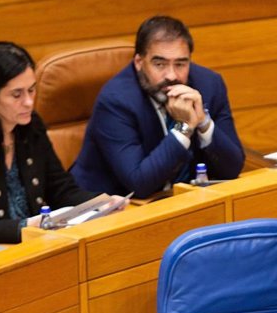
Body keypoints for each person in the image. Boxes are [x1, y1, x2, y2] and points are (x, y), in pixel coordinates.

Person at [71, 15, 245, 198]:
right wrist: (184, 127)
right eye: (159, 64)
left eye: (180, 64)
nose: (171, 75)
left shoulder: (209, 85)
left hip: (181, 201)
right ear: (139, 62)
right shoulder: (116, 101)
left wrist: (202, 121)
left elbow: (232, 169)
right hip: (109, 210)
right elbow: (139, 184)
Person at [0, 42, 126, 243]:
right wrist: (25, 227)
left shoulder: (31, 126)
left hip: (36, 243)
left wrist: (101, 203)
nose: (29, 102)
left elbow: (61, 189)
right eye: (17, 94)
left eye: (31, 90)